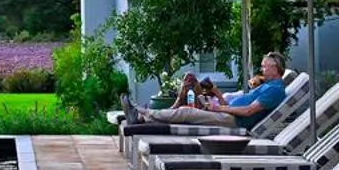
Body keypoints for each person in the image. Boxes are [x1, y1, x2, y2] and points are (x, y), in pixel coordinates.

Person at [123, 53, 288, 129]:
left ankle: (141, 112)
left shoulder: (275, 90)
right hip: (226, 113)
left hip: (233, 121)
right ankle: (142, 118)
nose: (262, 69)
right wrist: (217, 98)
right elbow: (240, 106)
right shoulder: (267, 86)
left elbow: (248, 111)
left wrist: (218, 107)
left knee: (186, 112)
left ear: (276, 68)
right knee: (190, 87)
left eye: (265, 66)